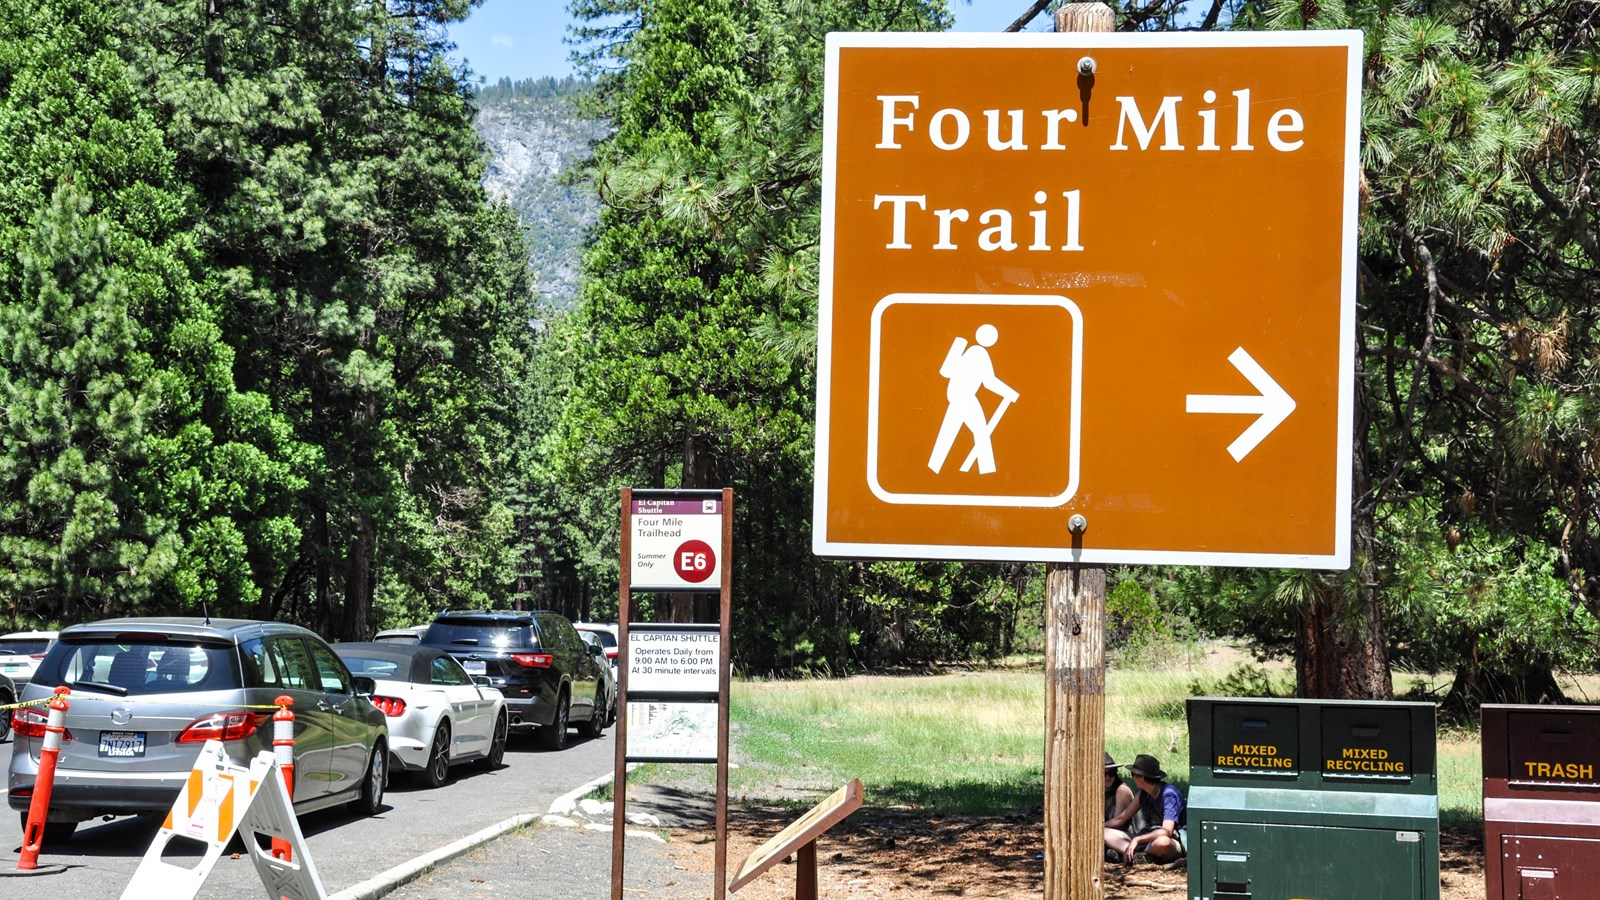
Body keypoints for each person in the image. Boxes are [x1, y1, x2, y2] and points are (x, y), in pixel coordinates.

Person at [1119, 754, 1186, 869]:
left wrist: (1137, 839)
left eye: (1133, 774)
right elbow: (1122, 818)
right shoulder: (1143, 793)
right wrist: (1099, 828)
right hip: (1147, 838)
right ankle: (1136, 854)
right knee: (1106, 833)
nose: (1132, 778)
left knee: (1162, 842)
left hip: (1171, 840)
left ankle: (1130, 854)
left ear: (1142, 777)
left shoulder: (1169, 795)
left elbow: (1167, 831)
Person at [1102, 752, 1137, 862]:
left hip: (1129, 835)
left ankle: (1135, 854)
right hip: (1110, 834)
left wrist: (1094, 829)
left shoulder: (1122, 790)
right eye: (1103, 774)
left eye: (1111, 773)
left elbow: (1119, 823)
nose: (1108, 777)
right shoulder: (1100, 792)